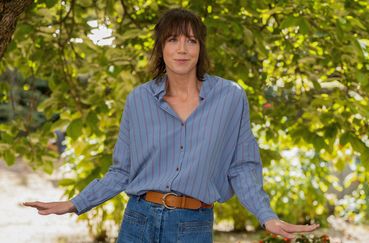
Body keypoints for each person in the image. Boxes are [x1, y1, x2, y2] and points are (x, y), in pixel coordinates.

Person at [23, 8, 319, 242]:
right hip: (138, 221)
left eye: (191, 40)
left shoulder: (230, 97)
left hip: (192, 225)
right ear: (160, 47)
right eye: (173, 39)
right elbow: (122, 171)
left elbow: (242, 166)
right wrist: (75, 203)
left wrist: (267, 216)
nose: (182, 49)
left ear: (201, 48)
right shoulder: (139, 100)